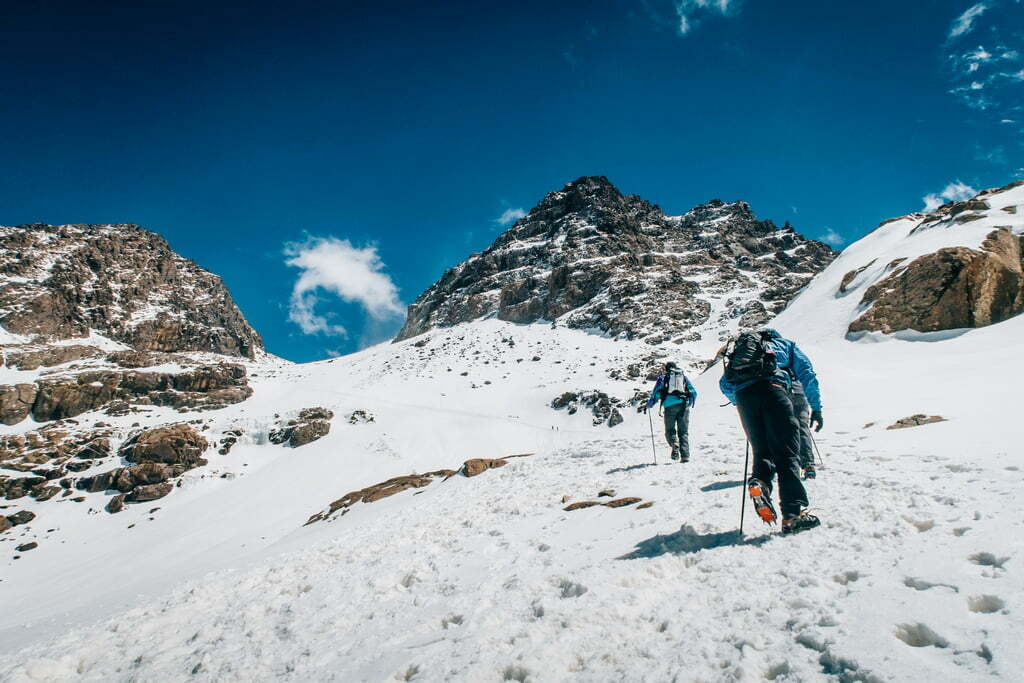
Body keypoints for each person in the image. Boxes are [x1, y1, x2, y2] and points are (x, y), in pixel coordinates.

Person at [718, 329, 823, 535]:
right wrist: (816, 407)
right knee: (787, 452)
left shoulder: (741, 352)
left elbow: (724, 383)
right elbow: (806, 374)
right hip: (774, 390)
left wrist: (741, 402)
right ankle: (793, 515)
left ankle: (760, 482)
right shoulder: (785, 345)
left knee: (762, 451)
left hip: (745, 397)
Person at [642, 361, 697, 462]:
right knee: (683, 432)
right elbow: (694, 392)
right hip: (684, 407)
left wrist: (649, 405)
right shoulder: (683, 377)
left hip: (669, 407)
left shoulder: (663, 378)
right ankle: (685, 457)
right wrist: (688, 403)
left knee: (670, 430)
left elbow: (656, 394)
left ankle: (674, 443)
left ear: (666, 369)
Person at [789, 375, 817, 479]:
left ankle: (775, 464)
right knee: (802, 430)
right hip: (800, 395)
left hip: (780, 394)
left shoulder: (770, 359)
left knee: (778, 429)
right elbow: (810, 379)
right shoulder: (800, 359)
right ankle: (808, 464)